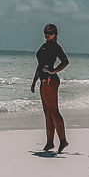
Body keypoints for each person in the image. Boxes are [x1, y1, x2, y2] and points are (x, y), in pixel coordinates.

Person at [30, 23, 69, 153]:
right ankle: (50, 142)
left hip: (50, 81)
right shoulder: (44, 46)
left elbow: (65, 61)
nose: (47, 34)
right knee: (47, 112)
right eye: (46, 32)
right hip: (43, 81)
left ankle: (63, 140)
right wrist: (34, 80)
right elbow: (40, 65)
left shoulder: (55, 46)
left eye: (50, 32)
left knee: (54, 111)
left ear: (55, 34)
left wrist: (53, 72)